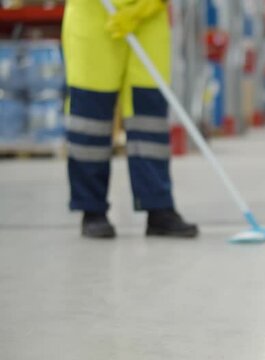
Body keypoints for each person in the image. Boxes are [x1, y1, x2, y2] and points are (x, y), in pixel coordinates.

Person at [62, 0, 198, 238]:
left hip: (149, 17)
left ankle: (158, 207)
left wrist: (143, 8)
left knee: (149, 119)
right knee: (91, 119)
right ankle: (91, 209)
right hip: (94, 16)